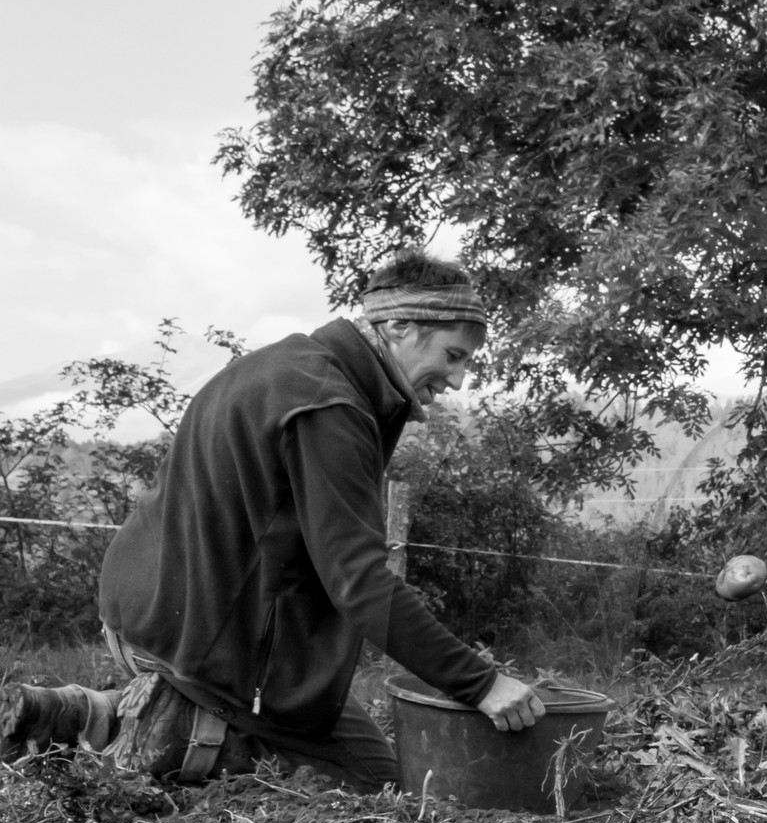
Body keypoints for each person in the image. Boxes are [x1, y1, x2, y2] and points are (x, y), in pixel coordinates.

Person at [1, 250, 543, 789]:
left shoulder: (289, 365)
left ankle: (83, 715)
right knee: (368, 782)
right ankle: (143, 729)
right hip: (194, 646)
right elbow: (359, 583)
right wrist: (479, 683)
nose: (457, 380)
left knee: (338, 729)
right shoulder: (331, 407)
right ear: (398, 325)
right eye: (452, 356)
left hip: (154, 617)